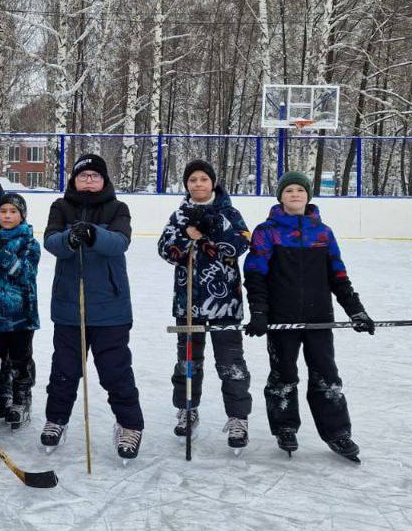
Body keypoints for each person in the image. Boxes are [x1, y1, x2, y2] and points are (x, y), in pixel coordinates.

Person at [244, 171, 374, 462]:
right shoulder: (267, 231)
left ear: (308, 196)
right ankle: (285, 427)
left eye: (300, 190)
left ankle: (338, 433)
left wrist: (356, 310)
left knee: (326, 375)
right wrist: (259, 312)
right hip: (282, 318)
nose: (294, 194)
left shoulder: (323, 233)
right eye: (288, 190)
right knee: (284, 375)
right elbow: (254, 274)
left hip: (319, 318)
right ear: (280, 196)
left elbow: (338, 275)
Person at [40, 154, 145, 460]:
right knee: (64, 370)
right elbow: (51, 240)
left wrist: (94, 234)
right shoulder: (60, 207)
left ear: (104, 180)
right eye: (82, 176)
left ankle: (130, 424)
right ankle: (56, 419)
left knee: (115, 371)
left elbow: (120, 241)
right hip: (69, 306)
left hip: (110, 306)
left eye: (94, 176)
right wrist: (70, 240)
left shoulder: (117, 208)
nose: (88, 181)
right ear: (73, 179)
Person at [158, 160, 253, 450]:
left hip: (225, 304)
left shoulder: (229, 212)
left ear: (213, 182)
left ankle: (238, 418)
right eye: (192, 180)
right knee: (188, 362)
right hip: (189, 304)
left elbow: (243, 244)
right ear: (187, 185)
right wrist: (187, 236)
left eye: (203, 179)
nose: (198, 184)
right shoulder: (180, 214)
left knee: (231, 364)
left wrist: (218, 227)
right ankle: (187, 409)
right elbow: (165, 249)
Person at [0, 191, 40, 429]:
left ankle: (22, 397)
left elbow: (23, 272)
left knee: (21, 359)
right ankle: (4, 396)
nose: (7, 215)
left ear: (22, 216)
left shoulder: (30, 243)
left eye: (13, 211)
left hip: (22, 315)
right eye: (3, 211)